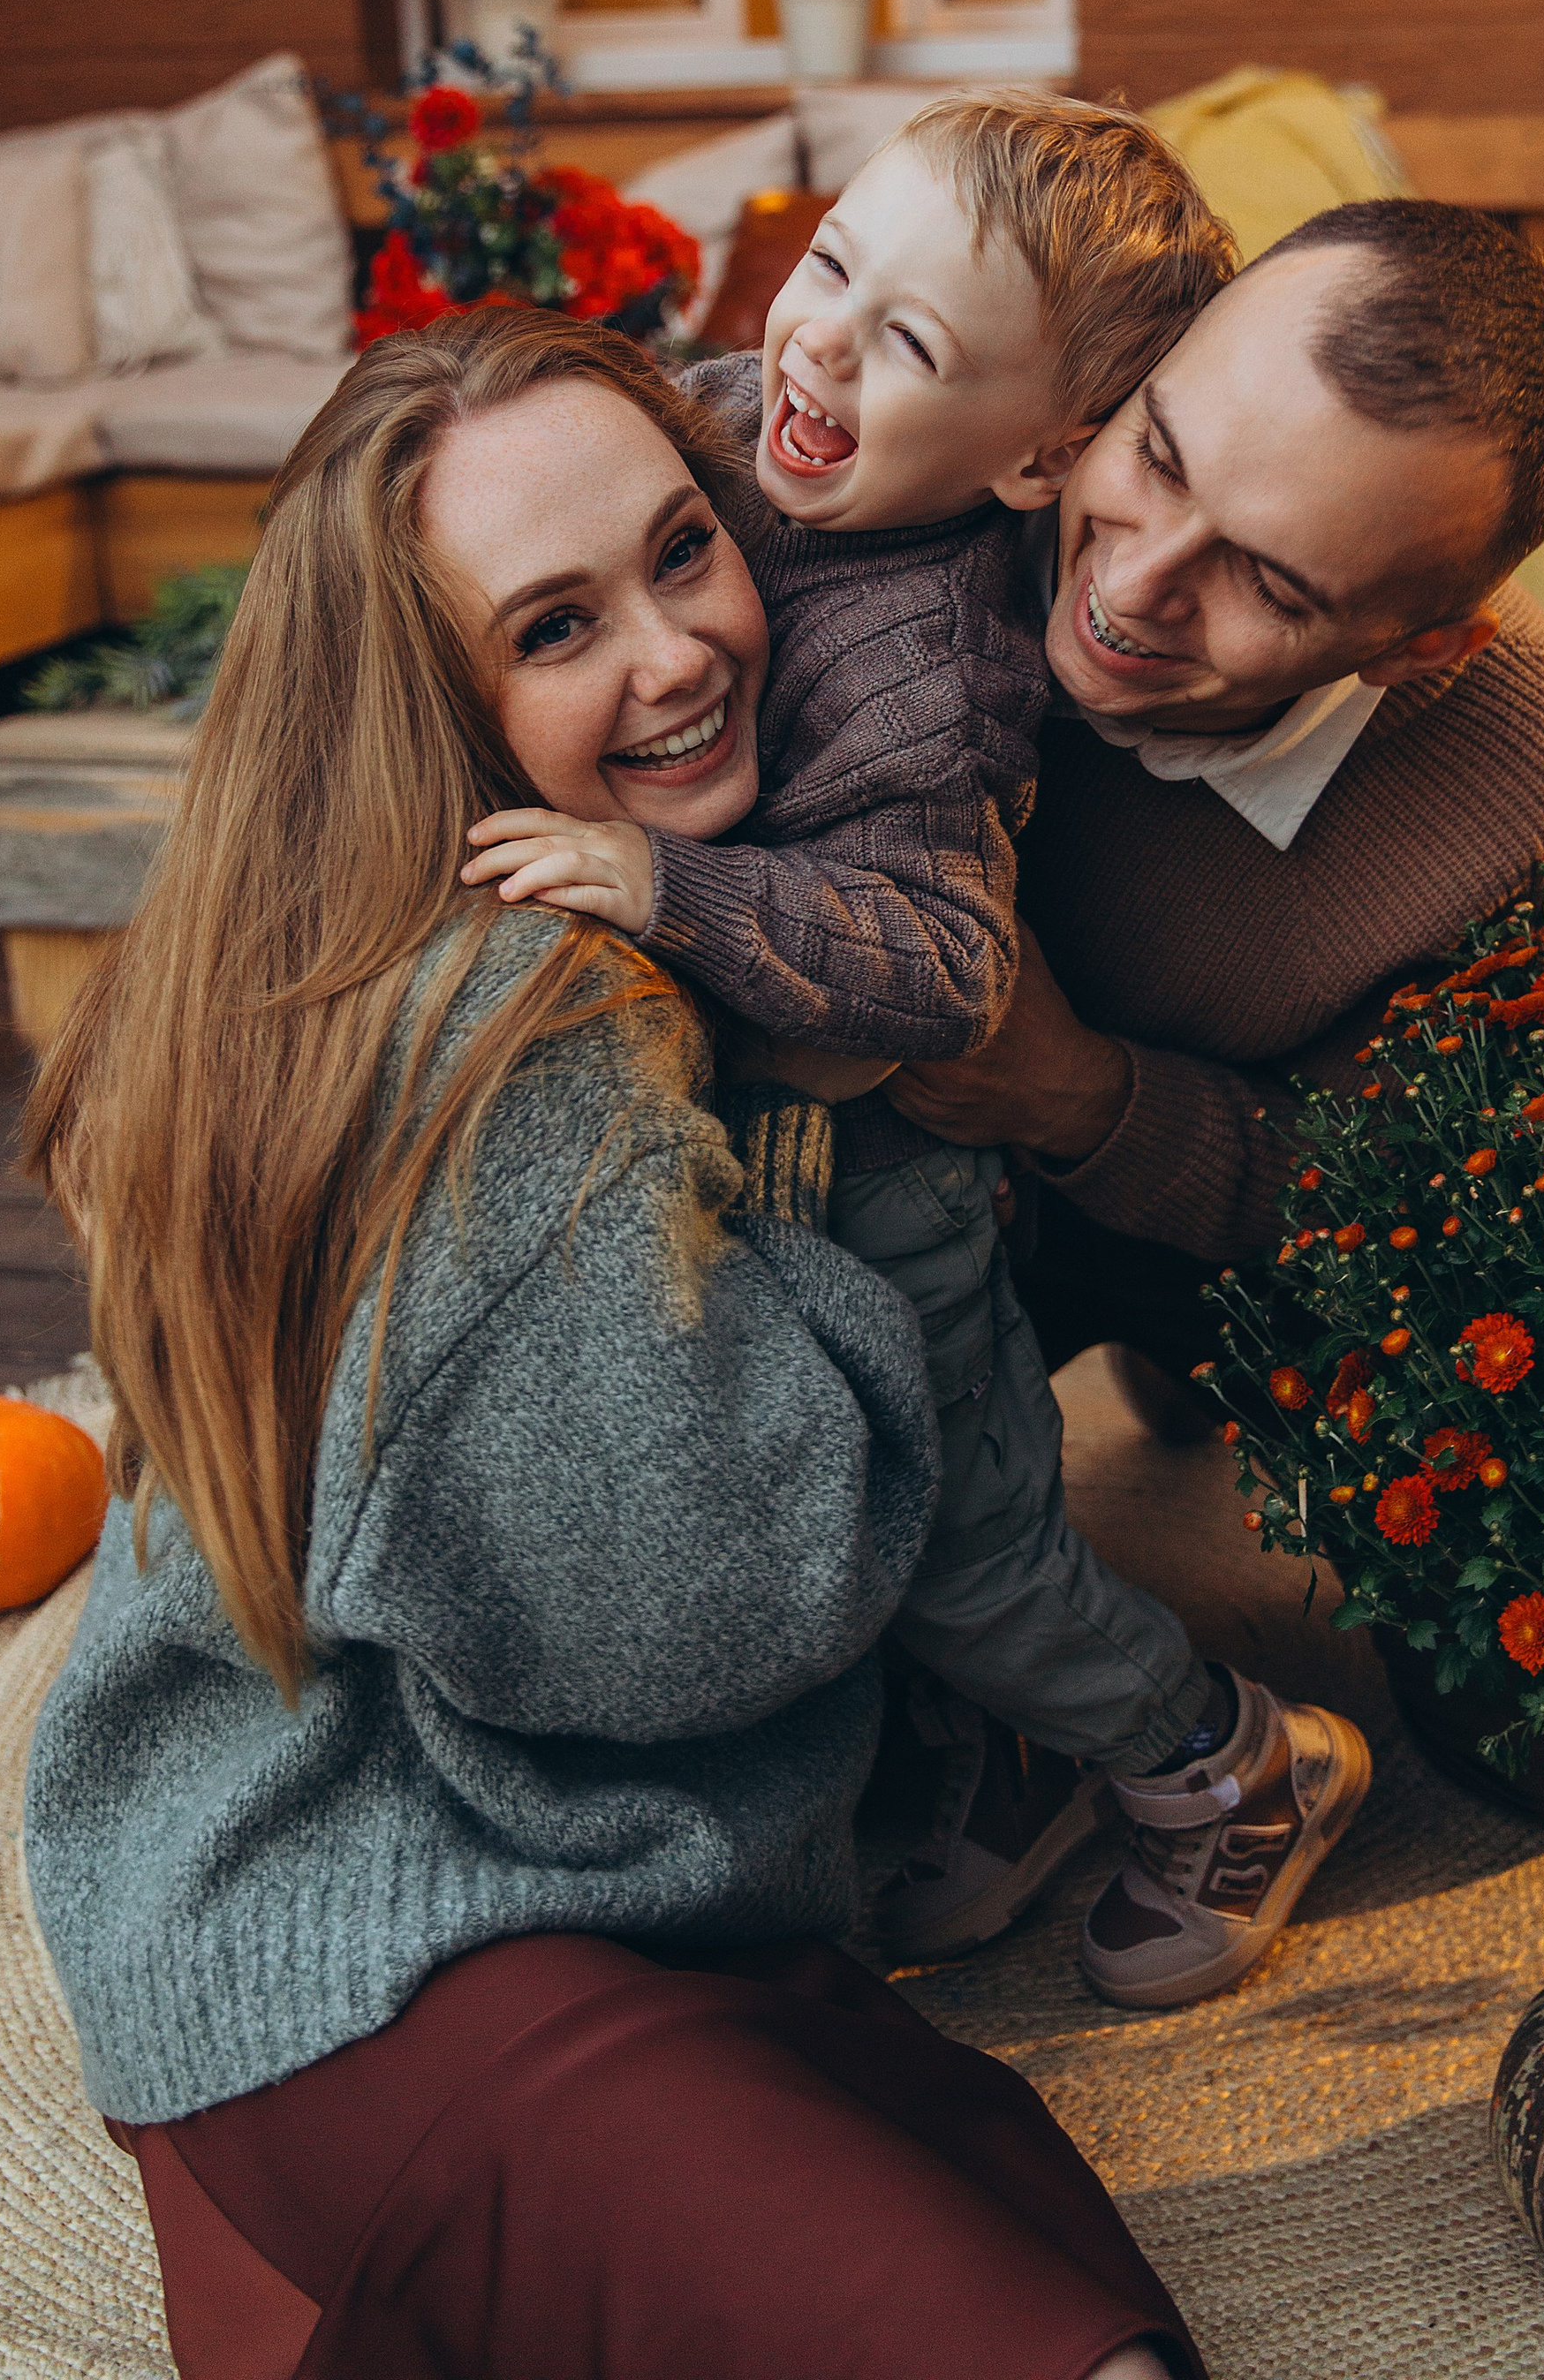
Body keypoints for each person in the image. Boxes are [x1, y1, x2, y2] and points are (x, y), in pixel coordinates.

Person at [20, 305, 1195, 2380]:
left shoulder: (384, 932)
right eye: (552, 630)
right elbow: (701, 1614)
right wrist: (840, 1218)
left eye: (681, 549)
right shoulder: (533, 1026)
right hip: (401, 1937)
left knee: (1028, 2244)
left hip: (456, 1879)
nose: (675, 653)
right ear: (431, 711)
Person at [460, 96, 1372, 2006]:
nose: (813, 343)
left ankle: (1222, 1761)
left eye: (906, 348)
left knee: (955, 1550)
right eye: (827, 269)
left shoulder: (928, 665)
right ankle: (1003, 1764)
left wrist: (661, 888)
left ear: (1044, 456)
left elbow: (944, 968)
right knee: (788, 1522)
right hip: (734, 1148)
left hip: (892, 1196)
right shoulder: (719, 421)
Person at [890, 199, 1544, 1983]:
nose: (1131, 584)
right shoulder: (975, 478)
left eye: (1269, 582)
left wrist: (1073, 1098)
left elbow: (1391, 1203)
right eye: (1156, 456)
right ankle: (996, 1698)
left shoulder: (1506, 763)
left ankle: (1175, 1367)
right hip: (903, 1194)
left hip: (1227, 1192)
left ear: (1415, 645)